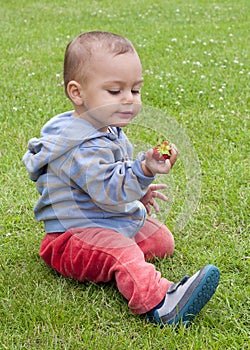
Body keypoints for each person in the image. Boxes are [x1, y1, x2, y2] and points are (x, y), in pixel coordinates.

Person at [23, 31, 220, 326]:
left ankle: (118, 261)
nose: (128, 99)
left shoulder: (106, 128)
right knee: (122, 250)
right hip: (70, 239)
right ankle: (161, 303)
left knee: (161, 239)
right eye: (115, 92)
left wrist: (138, 192)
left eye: (135, 90)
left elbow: (109, 177)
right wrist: (143, 170)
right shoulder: (79, 146)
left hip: (103, 221)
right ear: (77, 93)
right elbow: (106, 188)